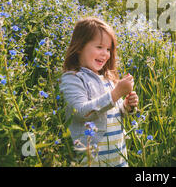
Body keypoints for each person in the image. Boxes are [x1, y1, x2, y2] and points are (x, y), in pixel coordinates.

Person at [59, 16, 138, 167]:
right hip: (92, 161)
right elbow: (81, 111)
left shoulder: (108, 78)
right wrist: (116, 93)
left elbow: (115, 112)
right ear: (80, 46)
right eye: (99, 47)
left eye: (108, 49)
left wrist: (127, 106)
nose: (105, 54)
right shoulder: (73, 79)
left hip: (118, 158)